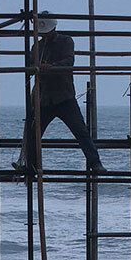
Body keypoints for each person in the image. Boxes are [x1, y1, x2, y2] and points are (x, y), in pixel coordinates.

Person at [14, 10, 106, 174]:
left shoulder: (66, 41)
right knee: (32, 133)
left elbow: (69, 62)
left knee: (81, 131)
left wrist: (51, 67)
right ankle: (31, 166)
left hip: (64, 97)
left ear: (53, 29)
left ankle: (95, 163)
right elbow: (29, 66)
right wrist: (36, 66)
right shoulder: (37, 46)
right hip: (43, 98)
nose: (43, 35)